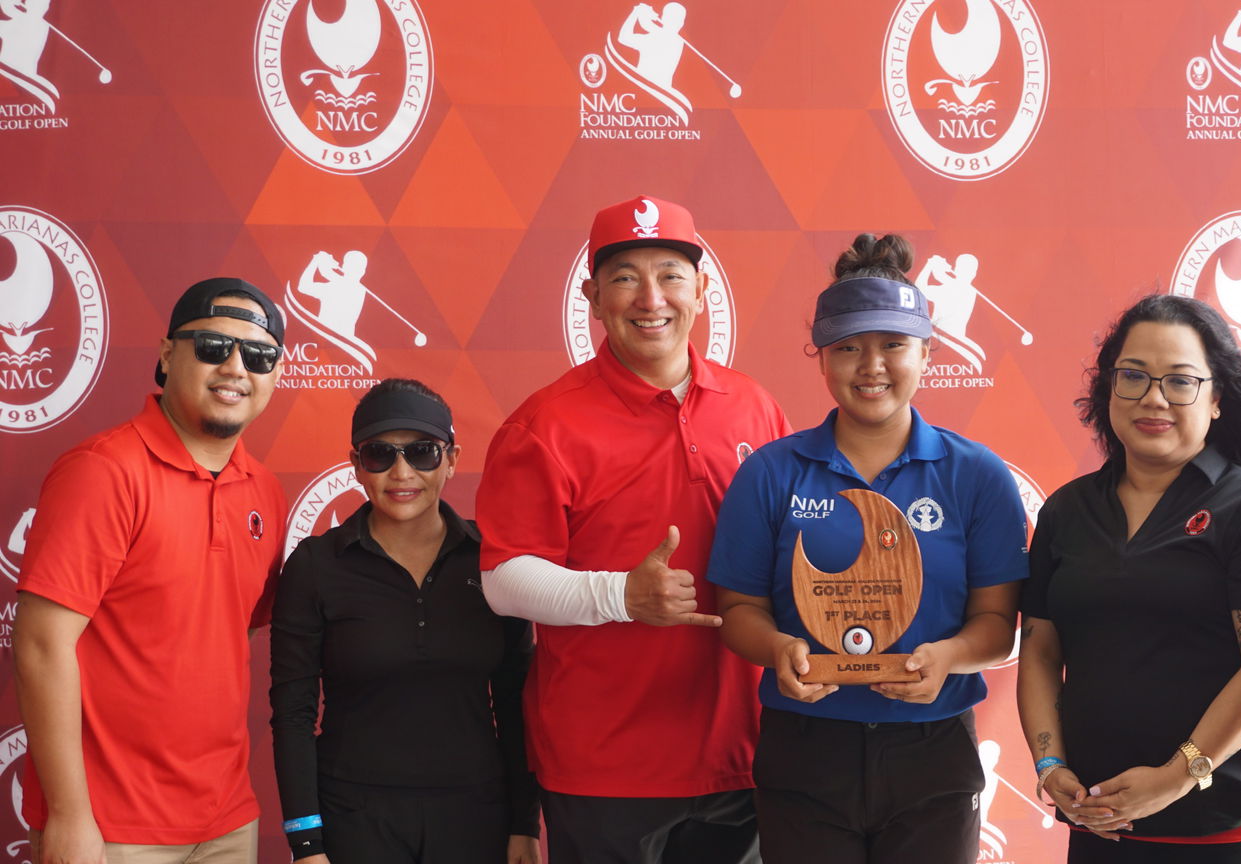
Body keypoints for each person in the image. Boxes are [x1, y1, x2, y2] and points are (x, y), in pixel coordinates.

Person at [475, 195, 791, 864]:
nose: (652, 297)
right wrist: (622, 596)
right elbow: (503, 581)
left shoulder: (755, 407)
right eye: (624, 278)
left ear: (702, 291)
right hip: (603, 764)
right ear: (592, 297)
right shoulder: (544, 424)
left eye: (671, 274)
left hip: (742, 755)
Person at [707, 233, 1028, 863]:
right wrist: (779, 649)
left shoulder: (977, 475)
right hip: (806, 748)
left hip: (933, 754)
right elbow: (738, 610)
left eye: (892, 346)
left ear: (928, 354)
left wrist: (946, 658)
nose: (870, 366)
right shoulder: (771, 473)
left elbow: (997, 626)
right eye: (848, 347)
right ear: (821, 359)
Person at [14, 278, 288, 863]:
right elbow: (40, 644)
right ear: (168, 355)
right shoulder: (103, 470)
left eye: (259, 355)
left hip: (226, 818)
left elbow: (232, 633)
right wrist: (68, 816)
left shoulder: (264, 489)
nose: (236, 366)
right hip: (111, 825)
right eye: (213, 346)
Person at [1017, 294, 1241, 863]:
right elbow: (1042, 651)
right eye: (1134, 376)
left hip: (1226, 830)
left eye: (1180, 382)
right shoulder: (1068, 511)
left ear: (1216, 398)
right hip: (1100, 823)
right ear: (1108, 389)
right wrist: (1050, 766)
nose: (1153, 398)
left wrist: (1176, 776)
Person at [269, 379, 538, 864]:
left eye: (422, 452)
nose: (401, 472)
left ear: (452, 458)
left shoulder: (494, 560)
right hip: (353, 817)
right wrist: (306, 843)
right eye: (379, 454)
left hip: (477, 816)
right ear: (356, 466)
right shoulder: (315, 565)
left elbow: (518, 703)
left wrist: (525, 823)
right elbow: (293, 712)